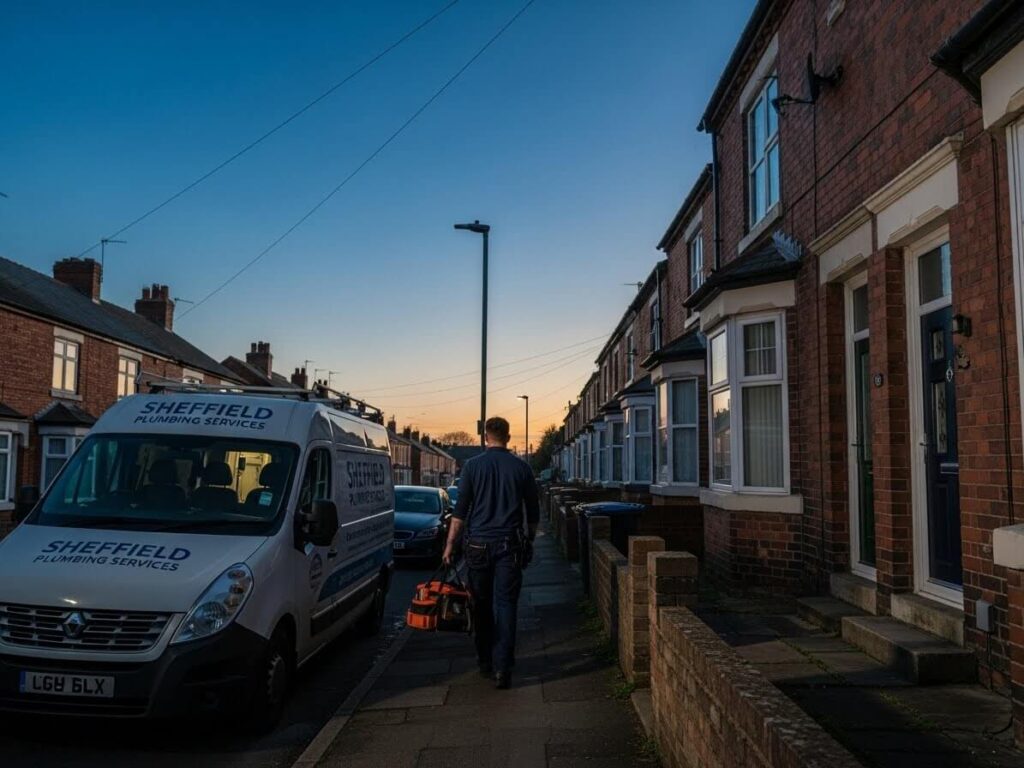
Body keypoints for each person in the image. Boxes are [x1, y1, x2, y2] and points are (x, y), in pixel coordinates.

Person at [442, 416, 539, 689]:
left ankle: (485, 660)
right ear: (508, 437)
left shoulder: (472, 467)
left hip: (477, 547)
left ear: (486, 438)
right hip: (510, 546)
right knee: (506, 605)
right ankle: (503, 668)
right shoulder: (522, 468)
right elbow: (533, 511)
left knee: (480, 605)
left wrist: (450, 546)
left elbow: (460, 512)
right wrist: (529, 539)